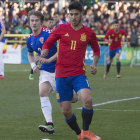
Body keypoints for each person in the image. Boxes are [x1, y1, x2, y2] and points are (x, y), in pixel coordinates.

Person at [41, 1, 101, 140]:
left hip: (78, 73)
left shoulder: (88, 32)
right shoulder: (61, 29)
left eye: (76, 14)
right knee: (66, 111)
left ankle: (86, 131)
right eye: (71, 14)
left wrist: (94, 63)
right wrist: (45, 49)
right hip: (61, 75)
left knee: (88, 100)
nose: (73, 17)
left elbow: (96, 49)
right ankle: (79, 134)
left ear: (81, 15)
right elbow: (49, 42)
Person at [27, 10, 57, 134]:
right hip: (46, 71)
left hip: (60, 70)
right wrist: (34, 65)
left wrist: (49, 59)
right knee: (42, 92)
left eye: (36, 20)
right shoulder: (29, 39)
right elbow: (30, 54)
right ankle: (49, 123)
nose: (34, 23)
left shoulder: (49, 34)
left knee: (71, 99)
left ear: (41, 22)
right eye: (32, 20)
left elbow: (61, 49)